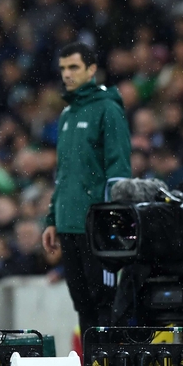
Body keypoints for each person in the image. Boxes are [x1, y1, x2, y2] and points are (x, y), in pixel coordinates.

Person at [41, 42, 131, 344]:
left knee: (104, 302)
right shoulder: (66, 115)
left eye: (74, 67)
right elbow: (63, 174)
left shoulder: (108, 109)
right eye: (63, 68)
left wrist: (110, 223)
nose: (66, 74)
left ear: (92, 69)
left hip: (96, 227)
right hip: (68, 224)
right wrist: (52, 218)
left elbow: (118, 172)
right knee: (82, 303)